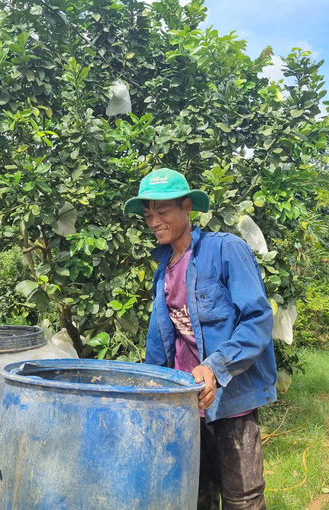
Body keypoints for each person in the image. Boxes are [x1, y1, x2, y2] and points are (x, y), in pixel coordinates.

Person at [123, 168, 277, 510]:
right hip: (186, 402)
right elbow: (162, 338)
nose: (154, 222)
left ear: (187, 207)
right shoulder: (163, 267)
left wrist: (215, 367)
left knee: (243, 498)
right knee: (195, 494)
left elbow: (257, 319)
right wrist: (151, 386)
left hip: (230, 399)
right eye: (148, 215)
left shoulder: (224, 250)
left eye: (162, 212)